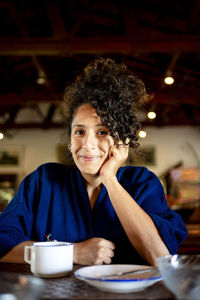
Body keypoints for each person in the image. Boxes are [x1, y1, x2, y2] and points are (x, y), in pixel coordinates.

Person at [0, 58, 187, 266]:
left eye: (102, 132)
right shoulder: (43, 181)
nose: (87, 144)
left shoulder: (143, 183)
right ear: (70, 140)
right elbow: (3, 247)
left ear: (121, 139)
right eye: (79, 131)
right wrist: (71, 253)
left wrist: (110, 179)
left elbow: (160, 258)